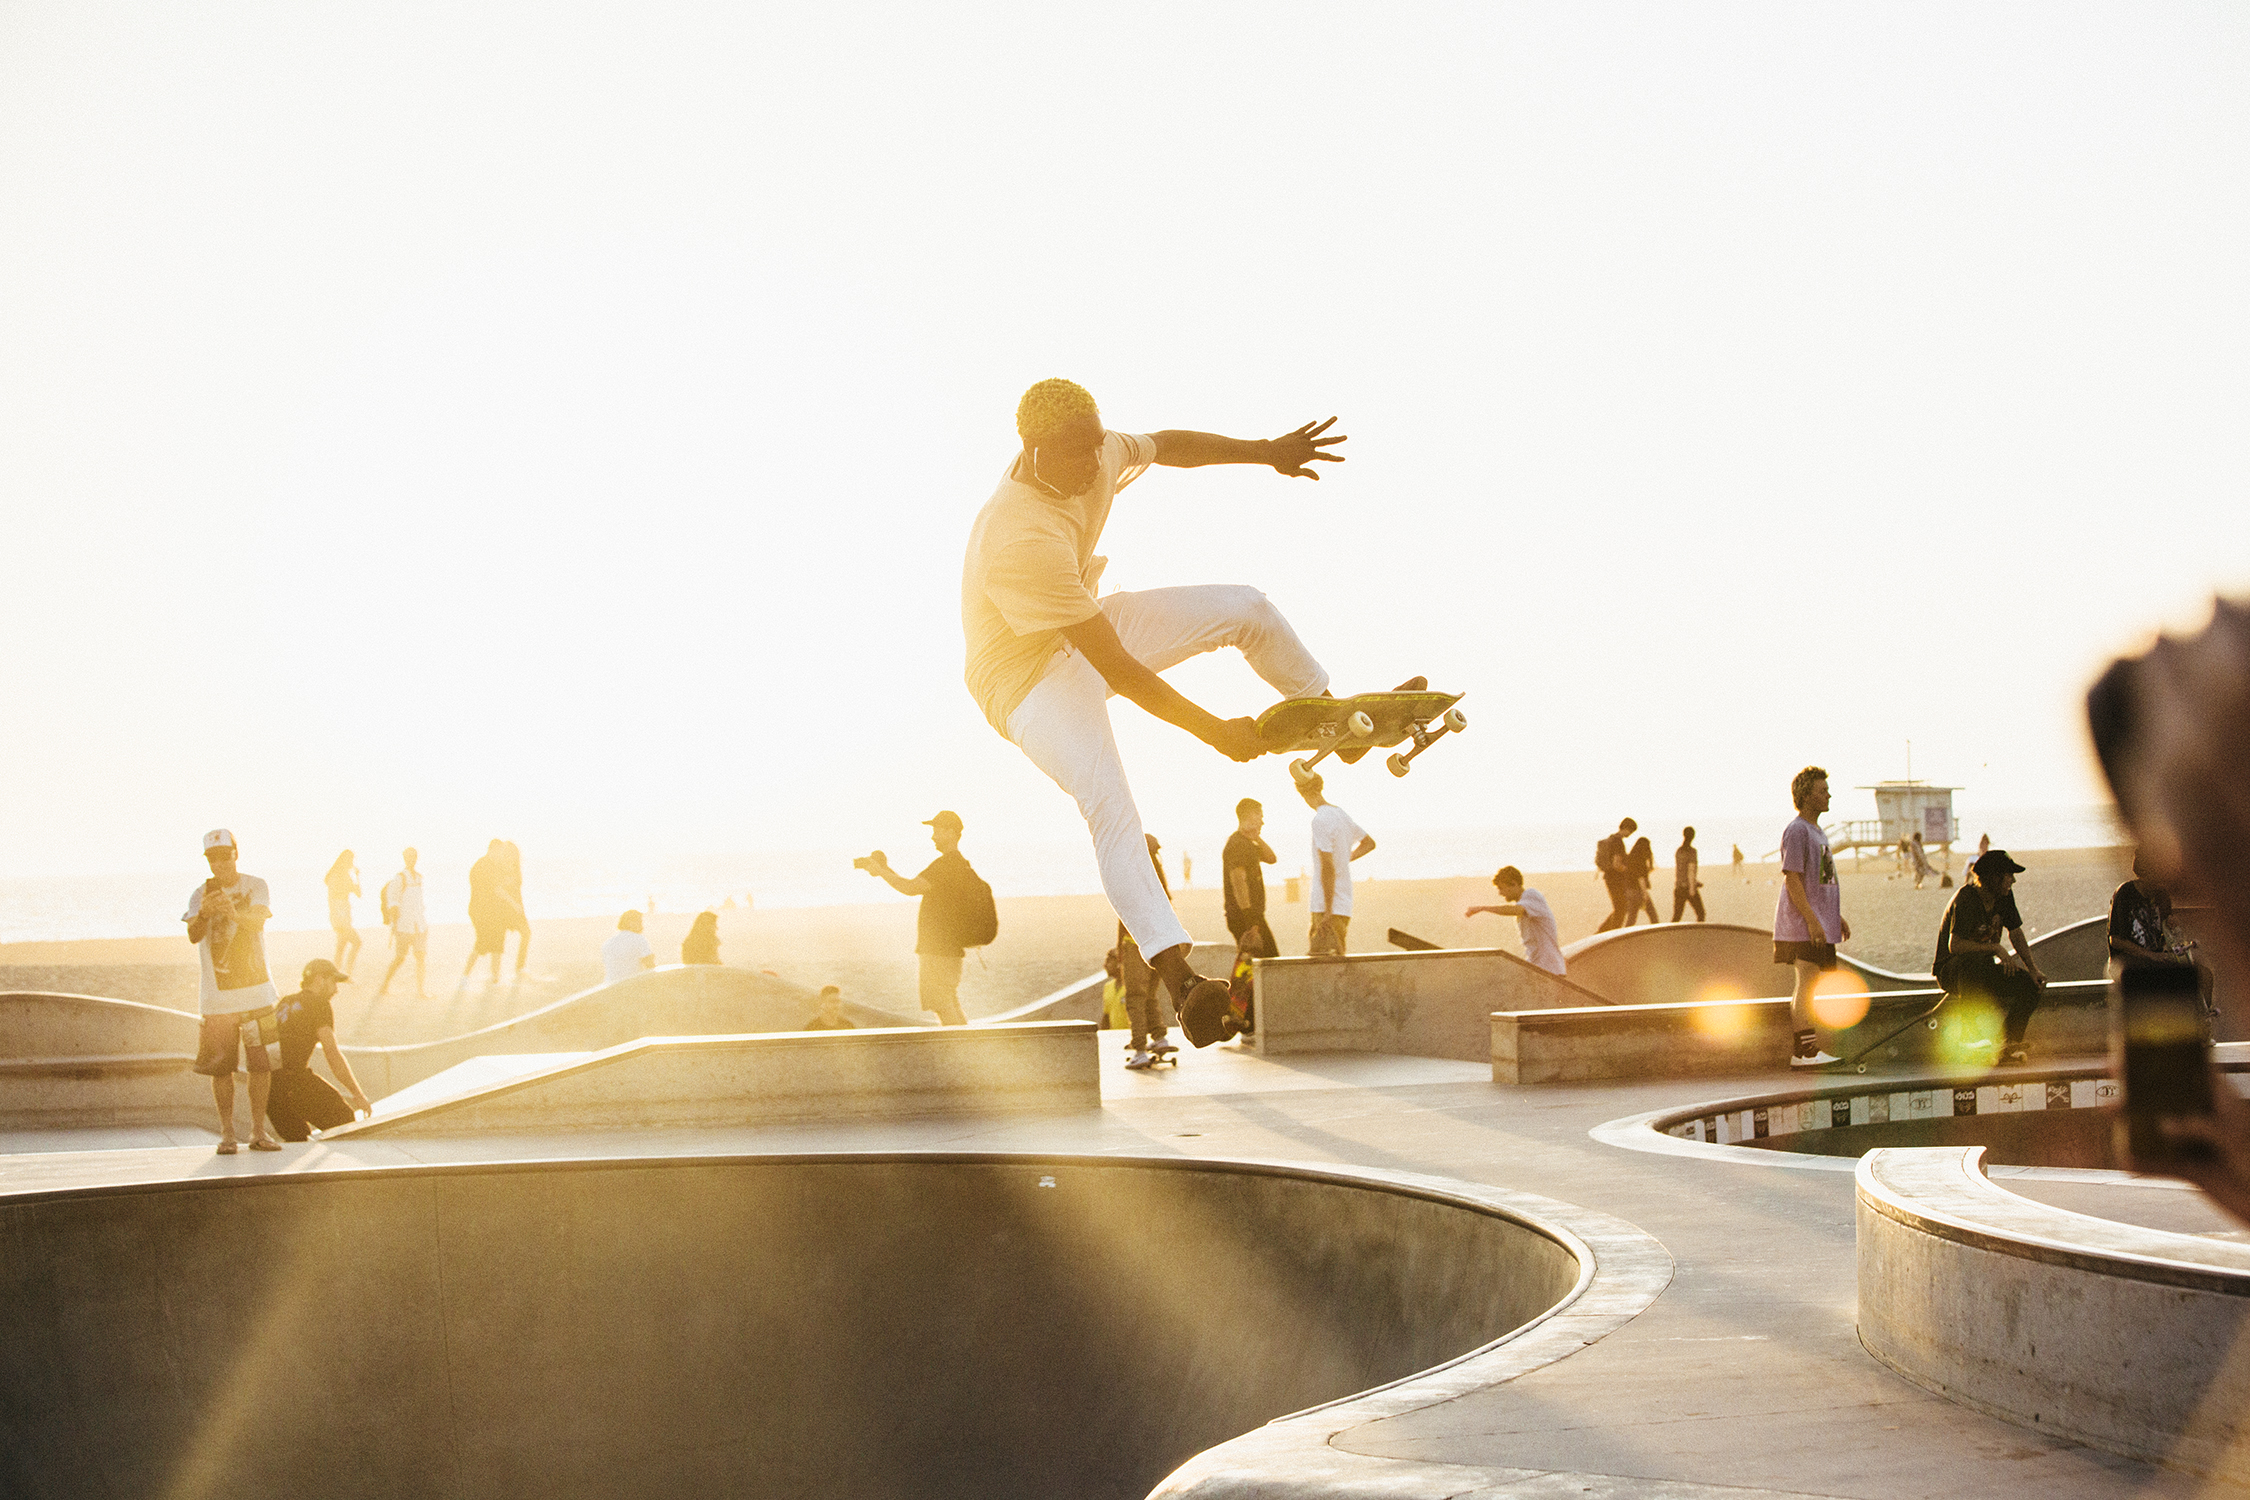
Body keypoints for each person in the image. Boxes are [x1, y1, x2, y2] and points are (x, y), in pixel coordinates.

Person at [959, 378, 1345, 1030]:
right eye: (1076, 455)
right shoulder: (1017, 536)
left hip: (1080, 627)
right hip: (1023, 685)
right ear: (1032, 450)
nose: (1093, 466)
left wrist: (1266, 450)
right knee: (1111, 805)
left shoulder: (1099, 448)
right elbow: (1120, 669)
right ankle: (1179, 975)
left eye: (1096, 448)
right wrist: (1214, 731)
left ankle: (1332, 713)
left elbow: (1169, 446)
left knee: (1245, 606)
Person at [182, 829, 283, 1153]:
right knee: (221, 1069)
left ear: (235, 853)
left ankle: (257, 1132)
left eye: (224, 855)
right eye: (212, 857)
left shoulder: (255, 885)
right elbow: (193, 936)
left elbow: (257, 923)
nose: (219, 863)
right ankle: (227, 1134)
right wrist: (204, 914)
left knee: (261, 1066)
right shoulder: (199, 894)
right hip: (217, 998)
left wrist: (232, 913)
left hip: (257, 992)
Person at [856, 811, 985, 1027]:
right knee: (949, 1001)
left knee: (941, 1004)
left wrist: (882, 873)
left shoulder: (946, 865)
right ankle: (965, 1045)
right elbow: (913, 885)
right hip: (949, 949)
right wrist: (885, 870)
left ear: (950, 833)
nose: (933, 837)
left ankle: (961, 1048)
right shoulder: (960, 864)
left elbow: (910, 888)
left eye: (937, 831)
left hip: (938, 950)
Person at [1934, 849, 2048, 1066]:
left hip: (1980, 969)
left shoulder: (2004, 897)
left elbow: (2015, 932)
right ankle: (1969, 1035)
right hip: (1952, 970)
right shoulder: (1966, 898)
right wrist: (1995, 948)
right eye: (2008, 876)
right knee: (1972, 962)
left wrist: (2032, 969)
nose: (2012, 881)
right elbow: (1955, 946)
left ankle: (2008, 1043)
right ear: (1994, 878)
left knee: (2030, 986)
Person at [1773, 767, 1851, 1068]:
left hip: (1817, 921)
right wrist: (1812, 919)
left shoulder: (1818, 832)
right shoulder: (1797, 830)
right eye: (1822, 790)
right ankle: (1803, 1053)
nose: (1828, 794)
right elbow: (1791, 878)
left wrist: (1834, 916)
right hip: (1801, 925)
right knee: (1806, 982)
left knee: (1814, 984)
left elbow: (1819, 881)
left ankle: (1809, 1049)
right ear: (1806, 796)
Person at [265, 959, 373, 1142]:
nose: (336, 990)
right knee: (344, 1123)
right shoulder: (319, 1004)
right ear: (319, 979)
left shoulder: (286, 1001)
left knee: (297, 1141)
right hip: (295, 1082)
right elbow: (332, 1053)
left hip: (270, 1089)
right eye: (333, 982)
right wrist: (357, 1094)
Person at [2108, 852, 2216, 1018]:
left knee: (2205, 976)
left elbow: (2166, 932)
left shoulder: (2161, 895)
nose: (2159, 883)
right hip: (2129, 963)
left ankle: (2201, 1022)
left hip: (2157, 960)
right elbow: (2116, 940)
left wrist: (2173, 926)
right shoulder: (2125, 893)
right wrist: (2150, 955)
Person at [1118, 834, 1180, 1067]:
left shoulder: (1132, 875)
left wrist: (1120, 946)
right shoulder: (1158, 880)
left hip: (1136, 944)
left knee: (1134, 997)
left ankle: (1140, 1049)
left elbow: (1124, 915)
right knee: (1151, 994)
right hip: (1160, 944)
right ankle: (1160, 1037)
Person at [1297, 773, 1374, 957]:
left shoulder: (1320, 820)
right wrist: (1344, 857)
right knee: (1339, 956)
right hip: (1344, 901)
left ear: (1304, 793)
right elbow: (1369, 843)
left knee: (1322, 960)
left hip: (1325, 904)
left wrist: (1328, 910)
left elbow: (1327, 867)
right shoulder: (1341, 814)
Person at [1466, 865, 1566, 976]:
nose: (1500, 893)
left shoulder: (1531, 894)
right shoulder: (1525, 903)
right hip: (1537, 968)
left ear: (1514, 884)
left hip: (1549, 970)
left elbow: (1515, 910)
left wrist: (1482, 908)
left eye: (1501, 888)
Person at [1222, 798, 1279, 961]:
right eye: (1260, 816)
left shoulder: (1249, 843)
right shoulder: (1237, 844)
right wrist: (1250, 921)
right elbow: (1238, 882)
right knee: (1267, 962)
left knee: (1255, 966)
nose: (1262, 821)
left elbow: (1271, 858)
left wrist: (1257, 838)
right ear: (1250, 816)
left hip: (1251, 916)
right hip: (1244, 916)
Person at [460, 839, 521, 991]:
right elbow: (497, 889)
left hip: (492, 911)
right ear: (493, 850)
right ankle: (464, 978)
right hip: (479, 910)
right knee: (482, 943)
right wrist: (514, 904)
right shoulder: (482, 865)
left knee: (498, 941)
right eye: (500, 852)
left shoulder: (492, 866)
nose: (502, 855)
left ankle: (495, 978)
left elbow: (499, 885)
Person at [375, 848, 429, 1000]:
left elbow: (419, 901)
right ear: (405, 858)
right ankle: (384, 985)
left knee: (420, 957)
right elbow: (393, 902)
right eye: (409, 857)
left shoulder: (418, 878)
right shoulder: (399, 878)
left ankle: (421, 990)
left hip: (419, 925)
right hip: (404, 926)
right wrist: (394, 925)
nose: (412, 859)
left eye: (414, 856)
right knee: (400, 958)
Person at [1594, 819, 1639, 933]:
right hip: (1616, 879)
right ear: (1627, 828)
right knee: (1621, 909)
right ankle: (1612, 934)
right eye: (1631, 831)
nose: (1630, 834)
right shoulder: (1618, 842)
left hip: (1609, 878)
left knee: (1620, 907)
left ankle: (1602, 932)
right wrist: (1628, 870)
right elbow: (1616, 864)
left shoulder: (1611, 839)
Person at [497, 839, 531, 977]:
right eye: (509, 853)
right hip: (505, 908)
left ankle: (520, 966)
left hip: (518, 908)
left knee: (526, 933)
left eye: (514, 853)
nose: (512, 856)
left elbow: (517, 890)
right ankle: (496, 973)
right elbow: (499, 890)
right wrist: (513, 903)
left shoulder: (517, 869)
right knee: (500, 939)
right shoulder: (501, 870)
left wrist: (519, 906)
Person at [324, 849, 362, 972]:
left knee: (341, 946)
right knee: (356, 942)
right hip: (339, 914)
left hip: (344, 913)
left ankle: (338, 973)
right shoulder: (335, 875)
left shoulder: (346, 876)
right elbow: (333, 897)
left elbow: (358, 893)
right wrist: (338, 918)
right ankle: (347, 972)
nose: (352, 862)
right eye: (350, 860)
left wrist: (356, 876)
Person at [602, 909, 656, 983]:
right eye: (640, 922)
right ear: (631, 923)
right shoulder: (639, 939)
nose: (642, 926)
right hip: (630, 986)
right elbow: (650, 966)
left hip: (609, 985)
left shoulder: (608, 943)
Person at [1671, 828, 1706, 923]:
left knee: (1677, 916)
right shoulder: (1692, 851)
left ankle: (1671, 936)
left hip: (1678, 887)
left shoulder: (1679, 851)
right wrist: (1692, 888)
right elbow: (1691, 870)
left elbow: (1681, 870)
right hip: (1687, 887)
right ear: (1693, 836)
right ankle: (1698, 934)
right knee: (1701, 913)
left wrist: (1696, 882)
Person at [1627, 834, 1660, 925]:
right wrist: (1644, 893)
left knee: (1631, 918)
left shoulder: (1630, 858)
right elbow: (1640, 877)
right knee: (1653, 916)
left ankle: (1625, 936)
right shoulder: (1640, 860)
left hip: (1629, 891)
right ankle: (1657, 934)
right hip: (1638, 891)